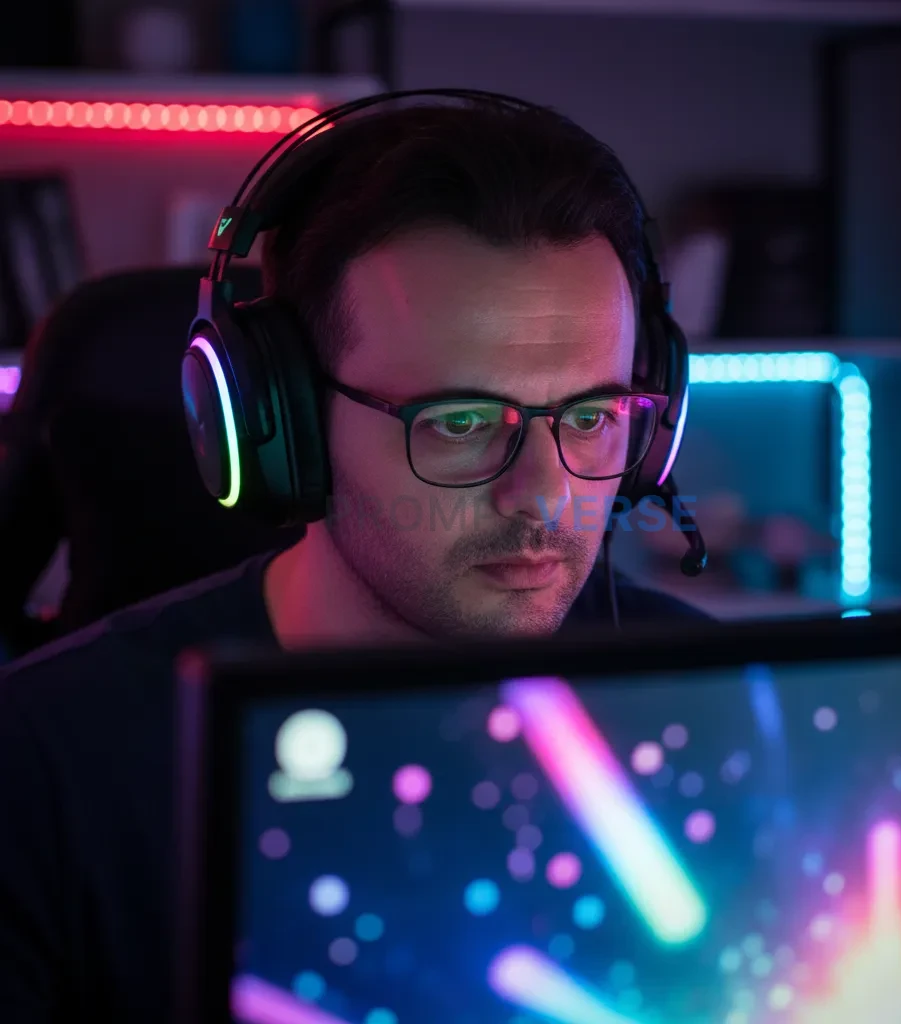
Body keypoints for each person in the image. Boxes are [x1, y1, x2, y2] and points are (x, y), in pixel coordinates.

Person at [0, 96, 710, 1023]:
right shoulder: (40, 775)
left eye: (593, 416)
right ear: (281, 426)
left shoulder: (716, 708)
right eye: (460, 421)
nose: (542, 496)